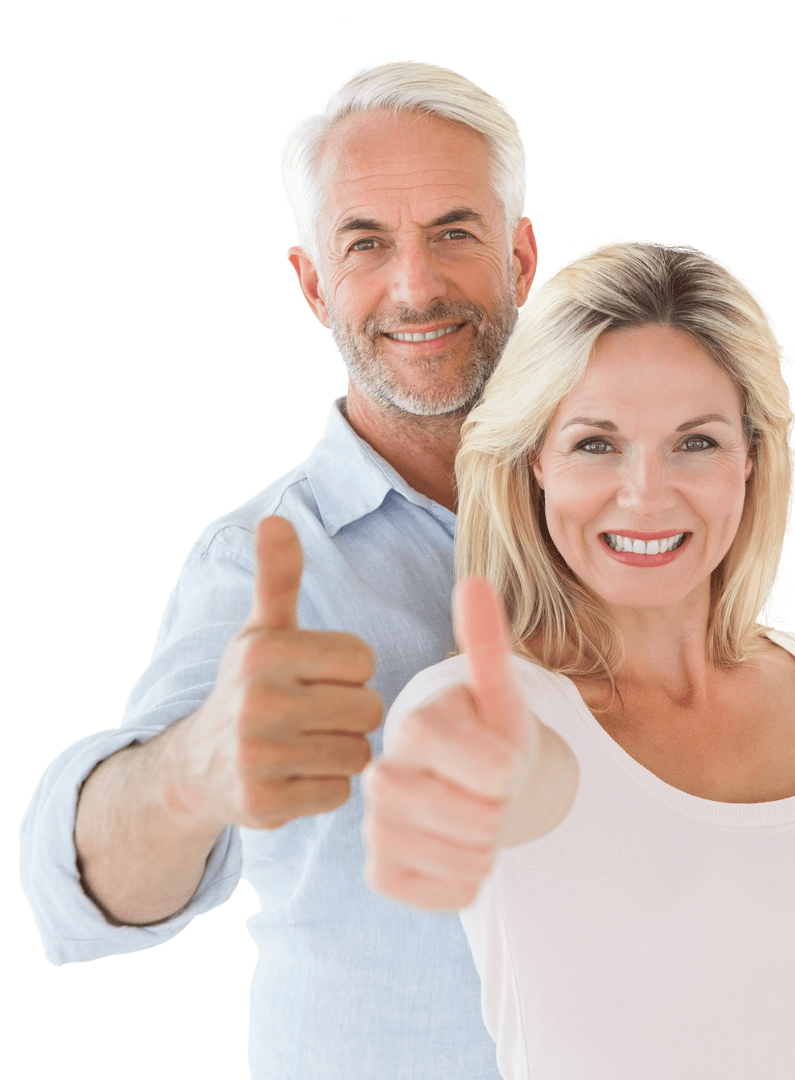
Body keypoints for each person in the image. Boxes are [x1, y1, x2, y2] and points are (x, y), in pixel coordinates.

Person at [19, 60, 538, 1079]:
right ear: (312, 283)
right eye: (366, 245)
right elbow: (70, 898)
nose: (415, 284)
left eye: (454, 233)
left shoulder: (629, 517)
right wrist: (194, 773)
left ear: (520, 254)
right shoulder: (264, 562)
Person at [362, 239, 795, 1079]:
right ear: (535, 465)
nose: (647, 494)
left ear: (751, 459)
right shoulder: (483, 714)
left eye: (694, 442)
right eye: (596, 444)